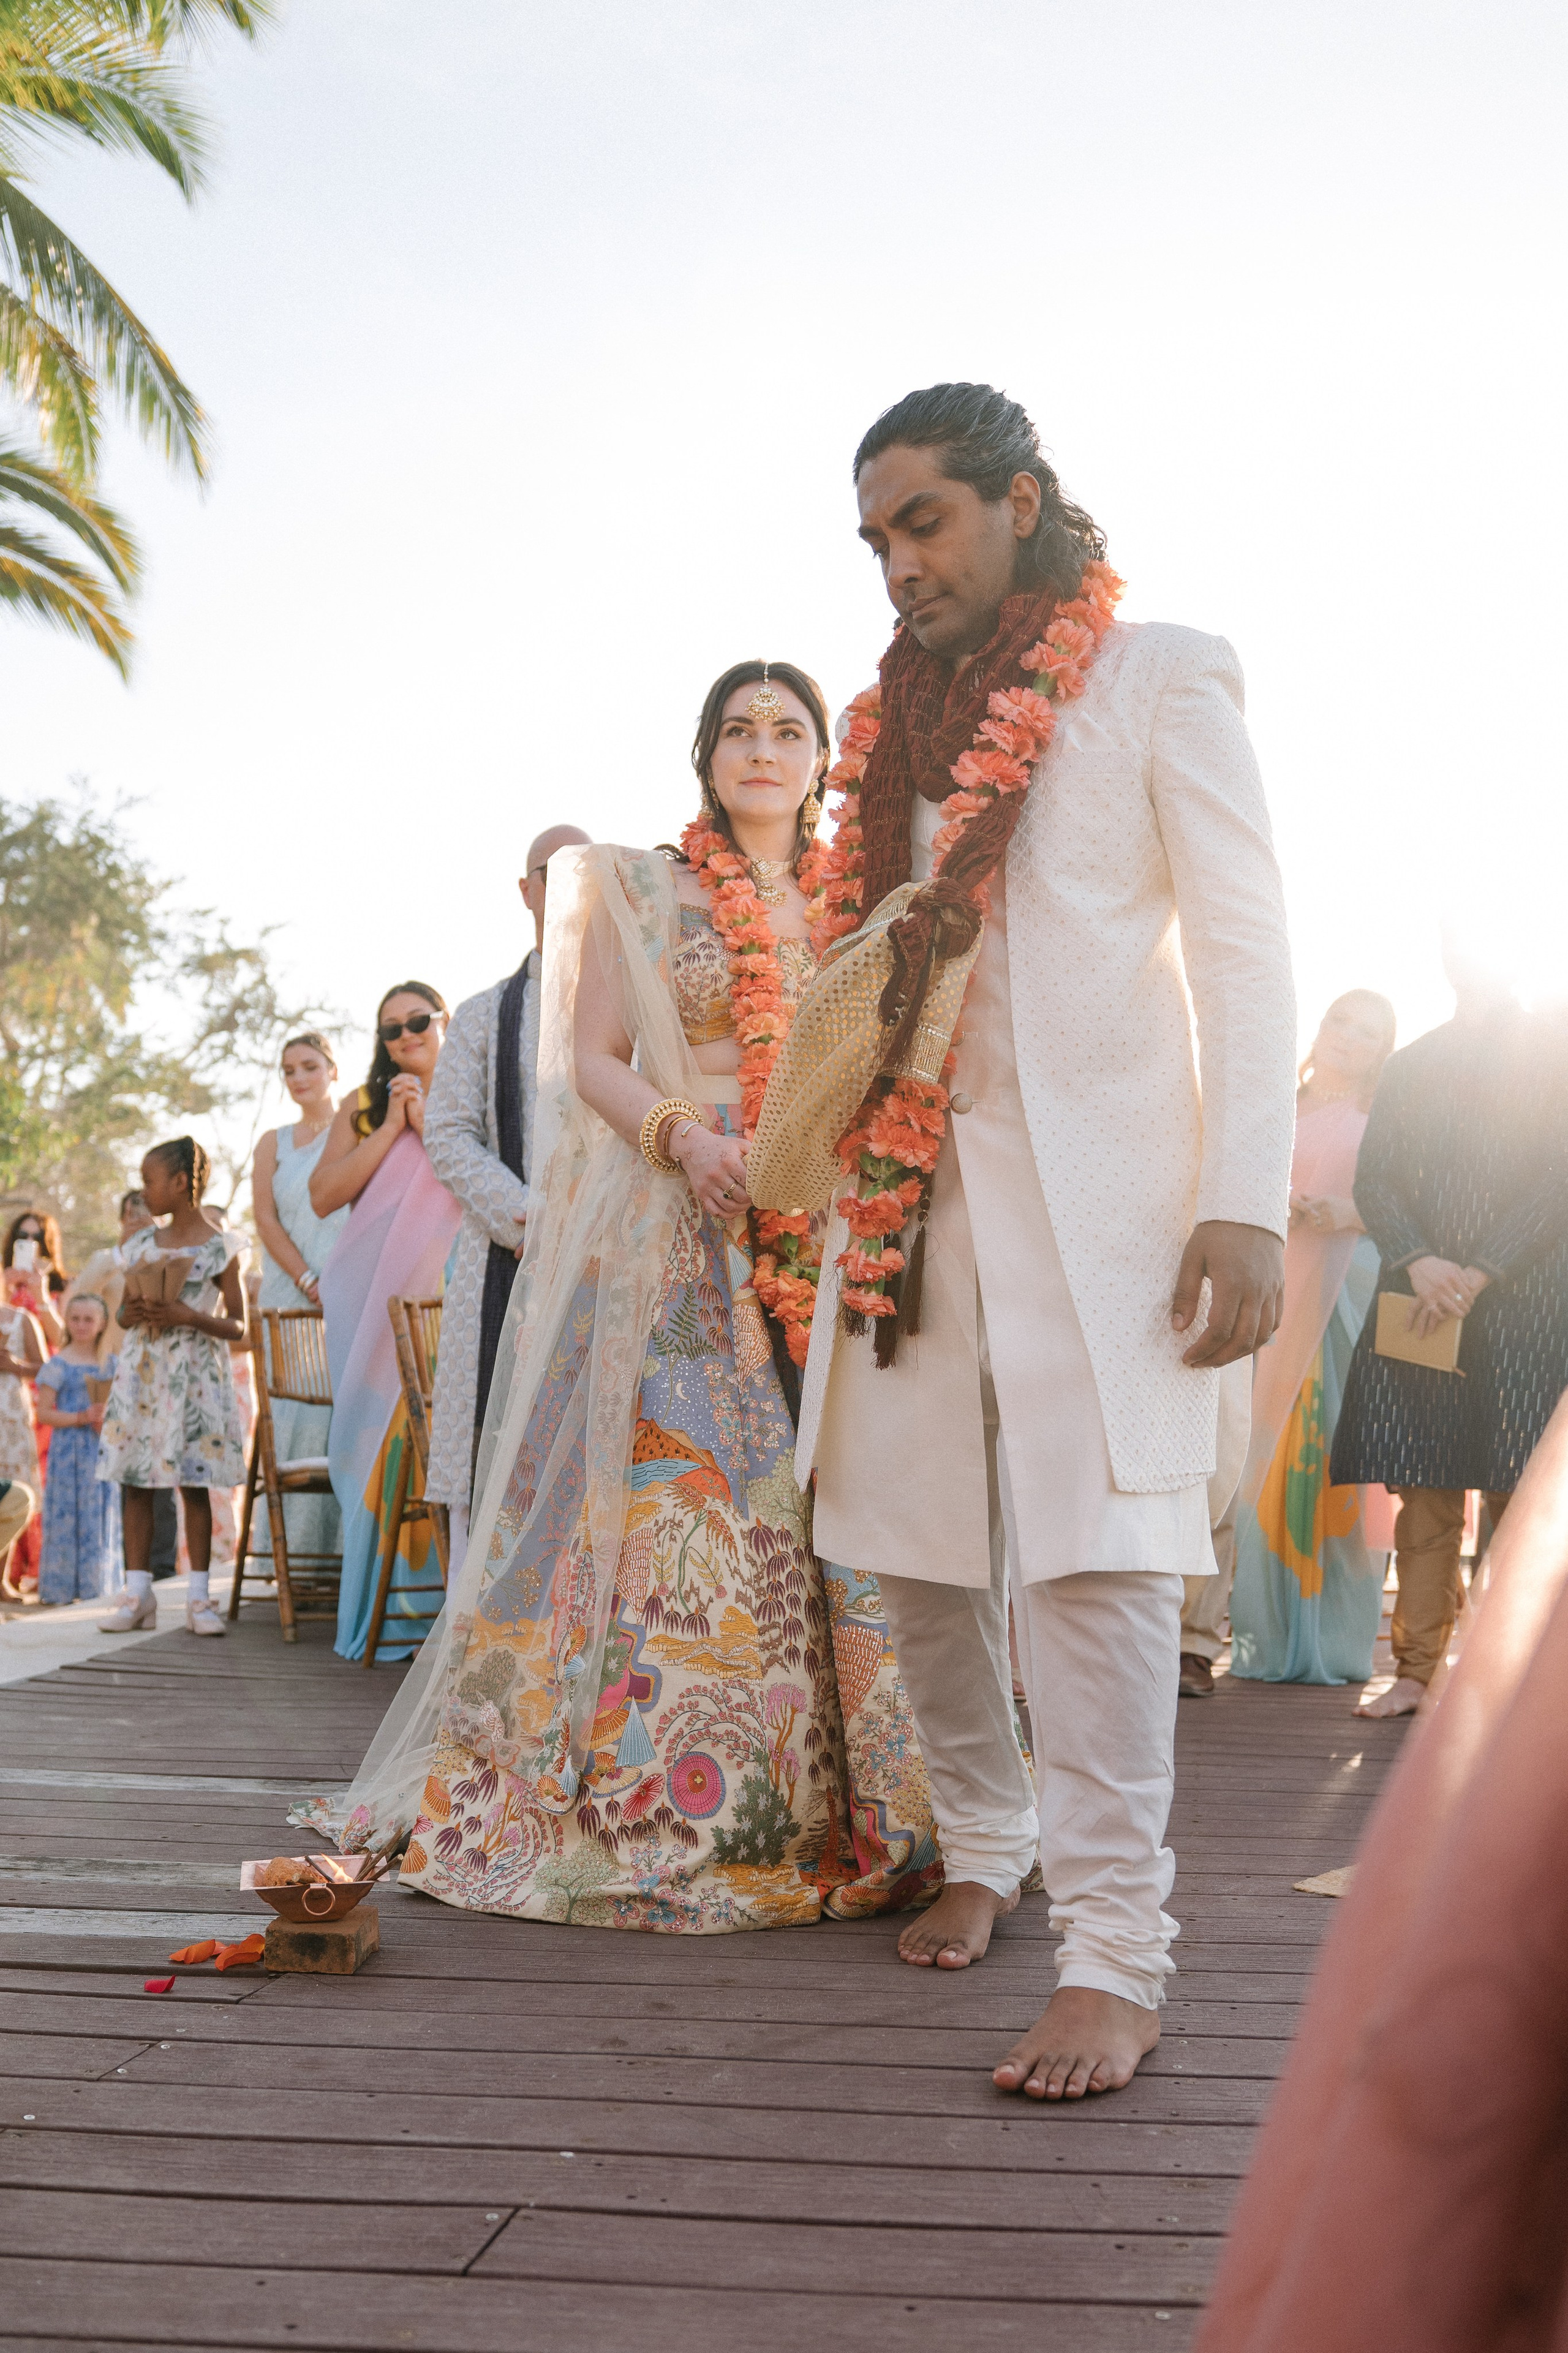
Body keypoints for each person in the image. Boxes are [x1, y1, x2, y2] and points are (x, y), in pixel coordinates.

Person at [794, 383, 1296, 2098]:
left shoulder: (1161, 673)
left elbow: (1244, 954)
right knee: (918, 1548)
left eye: (921, 522)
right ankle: (986, 1840)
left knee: (1095, 1569)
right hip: (914, 1197)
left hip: (1108, 1203)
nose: (896, 565)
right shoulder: (897, 723)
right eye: (873, 539)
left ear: (1019, 503)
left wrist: (1244, 1191)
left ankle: (1117, 1958)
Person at [292, 663, 940, 1935]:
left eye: (788, 730)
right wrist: (685, 1139)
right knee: (682, 1503)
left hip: (827, 1225)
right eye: (738, 730)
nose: (763, 748)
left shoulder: (851, 898)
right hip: (676, 1221)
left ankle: (872, 1797)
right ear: (703, 756)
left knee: (843, 1502)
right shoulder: (641, 888)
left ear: (819, 758)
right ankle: (672, 1796)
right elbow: (590, 1057)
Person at [1330, 933, 1568, 1719]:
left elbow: (1556, 1178)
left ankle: (1507, 1684)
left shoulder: (1554, 1051)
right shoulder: (1413, 1064)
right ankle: (1415, 1674)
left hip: (1531, 1304)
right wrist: (1421, 1259)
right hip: (1423, 1301)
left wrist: (1480, 1268)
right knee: (1425, 1489)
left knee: (1519, 1492)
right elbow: (1377, 1177)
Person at [424, 823, 590, 1576]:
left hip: (610, 1256)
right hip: (507, 1251)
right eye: (550, 872)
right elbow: (448, 1133)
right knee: (489, 1453)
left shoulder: (631, 1008)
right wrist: (531, 1218)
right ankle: (476, 1650)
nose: (566, 885)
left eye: (585, 870)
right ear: (526, 891)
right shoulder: (484, 1014)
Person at [1222, 992, 1398, 1689]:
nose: (1348, 1039)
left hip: (1342, 1303)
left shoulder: (1383, 1122)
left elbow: (1405, 1205)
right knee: (1253, 1457)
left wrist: (1346, 1210)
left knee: (1333, 1461)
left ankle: (1335, 1636)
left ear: (1381, 1051)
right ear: (1319, 1028)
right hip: (1267, 1300)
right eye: (1339, 1022)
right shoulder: (1275, 1106)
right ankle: (1260, 1630)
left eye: (1367, 1033)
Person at [310, 984, 462, 1662]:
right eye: (392, 1028)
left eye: (418, 1021)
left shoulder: (475, 1094)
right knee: (382, 1450)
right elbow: (324, 1196)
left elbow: (491, 1179)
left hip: (454, 1300)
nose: (406, 1034)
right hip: (379, 1308)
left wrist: (430, 1123)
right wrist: (395, 1127)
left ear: (444, 1022)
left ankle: (457, 1610)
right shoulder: (364, 1106)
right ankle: (391, 1609)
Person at [94, 1138, 248, 1637]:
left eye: (150, 1181)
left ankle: (200, 1597)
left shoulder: (221, 1246)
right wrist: (129, 1312)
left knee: (193, 1480)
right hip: (143, 1376)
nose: (143, 1193)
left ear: (180, 1183)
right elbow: (121, 1313)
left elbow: (241, 1325)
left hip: (195, 1380)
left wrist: (190, 1314)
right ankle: (138, 1592)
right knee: (135, 1479)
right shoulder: (139, 1245)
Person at [249, 1032, 350, 1566]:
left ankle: (338, 1564)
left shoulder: (358, 1128)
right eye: (288, 1070)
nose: (298, 1078)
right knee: (290, 1419)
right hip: (290, 1294)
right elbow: (265, 1218)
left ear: (333, 1069)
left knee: (339, 1417)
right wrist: (309, 1280)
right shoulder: (273, 1141)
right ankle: (287, 1563)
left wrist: (339, 1283)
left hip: (347, 1291)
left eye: (309, 1066)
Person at [33, 1294, 120, 1604]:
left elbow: (123, 1409)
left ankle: (96, 1587)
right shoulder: (58, 1363)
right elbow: (43, 1413)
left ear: (101, 1325)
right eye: (76, 1319)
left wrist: (106, 1422)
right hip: (68, 1452)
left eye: (89, 1319)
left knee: (98, 1512)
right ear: (67, 1322)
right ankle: (60, 1589)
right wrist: (81, 1417)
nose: (82, 1325)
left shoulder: (110, 1364)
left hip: (99, 1450)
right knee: (66, 1514)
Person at [67, 1191, 156, 1358]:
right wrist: (121, 1252)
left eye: (146, 1212)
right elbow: (80, 1295)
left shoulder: (169, 1258)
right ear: (123, 1219)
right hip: (113, 1361)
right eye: (132, 1214)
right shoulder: (104, 1260)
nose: (139, 1219)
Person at [0, 1290, 43, 1601]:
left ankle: (1, 1580)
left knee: (13, 1493)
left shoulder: (21, 1319)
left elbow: (44, 1367)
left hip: (11, 1416)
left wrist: (14, 1366)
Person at [3, 1210, 68, 1350]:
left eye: (38, 1237)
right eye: (22, 1235)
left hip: (44, 1367)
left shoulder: (63, 1285)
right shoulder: (3, 1276)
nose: (29, 1241)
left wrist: (42, 1296)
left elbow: (62, 1340)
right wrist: (5, 1290)